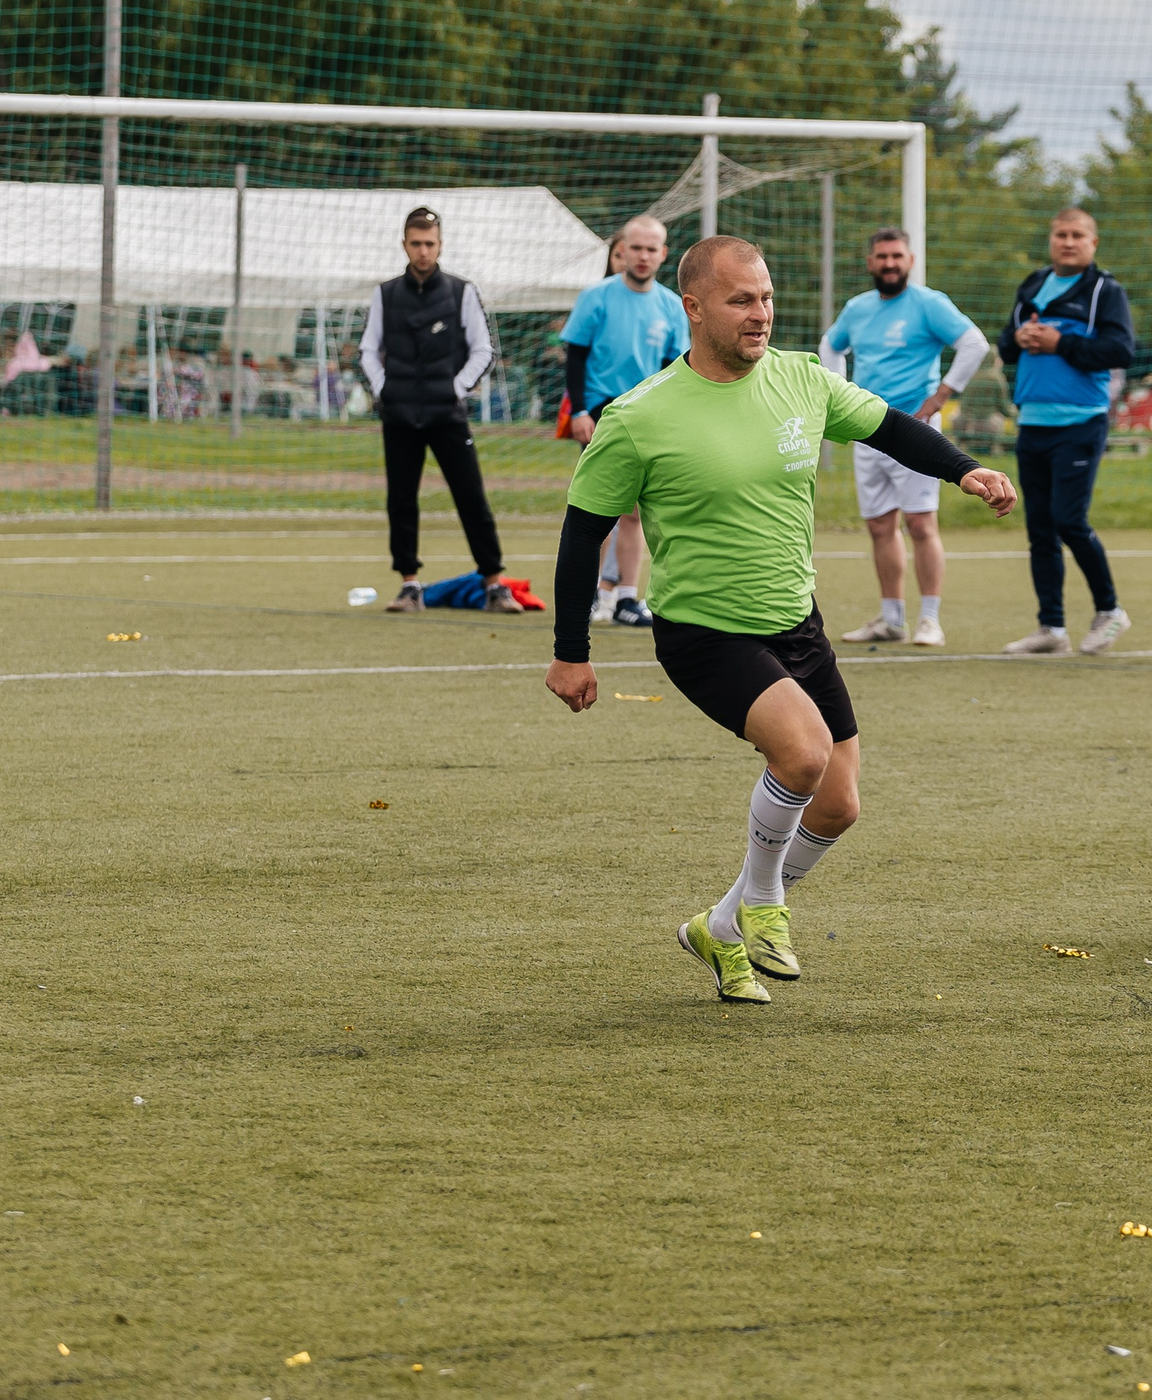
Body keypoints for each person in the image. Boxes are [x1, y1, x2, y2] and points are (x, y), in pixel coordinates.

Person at [544, 235, 1018, 1004]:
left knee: (838, 802)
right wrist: (571, 651)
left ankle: (721, 927)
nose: (759, 314)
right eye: (740, 300)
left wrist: (966, 469)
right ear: (693, 308)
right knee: (803, 755)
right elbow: (580, 536)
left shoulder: (803, 378)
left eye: (765, 297)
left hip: (795, 622)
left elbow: (892, 427)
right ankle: (765, 906)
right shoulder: (638, 416)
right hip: (703, 631)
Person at [820, 226, 992, 647]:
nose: (890, 263)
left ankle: (929, 619)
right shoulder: (858, 308)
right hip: (866, 429)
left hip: (915, 430)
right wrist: (840, 397)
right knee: (880, 526)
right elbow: (830, 346)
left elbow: (974, 343)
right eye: (882, 256)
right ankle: (891, 618)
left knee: (919, 523)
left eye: (897, 256)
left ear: (910, 261)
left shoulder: (929, 304)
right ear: (870, 262)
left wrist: (941, 395)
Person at [358, 206, 522, 615]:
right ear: (404, 244)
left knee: (471, 497)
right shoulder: (385, 293)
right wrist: (386, 388)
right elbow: (367, 350)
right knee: (401, 499)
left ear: (440, 244)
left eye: (430, 243)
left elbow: (483, 348)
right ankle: (409, 585)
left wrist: (455, 388)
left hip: (446, 413)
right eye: (416, 243)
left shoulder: (460, 291)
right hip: (399, 415)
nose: (423, 251)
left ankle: (494, 584)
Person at [997, 207, 1136, 655]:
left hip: (1081, 421)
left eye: (1078, 235)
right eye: (1061, 234)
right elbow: (1006, 343)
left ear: (1093, 243)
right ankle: (1051, 628)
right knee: (1040, 527)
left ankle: (1110, 611)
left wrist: (1062, 343)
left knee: (1069, 520)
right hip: (1032, 421)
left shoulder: (1104, 291)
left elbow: (1121, 350)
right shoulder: (1033, 285)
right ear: (1051, 240)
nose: (1068, 242)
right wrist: (1016, 341)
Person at [561, 216, 686, 627]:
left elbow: (673, 369)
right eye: (636, 248)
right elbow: (575, 356)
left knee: (636, 510)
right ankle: (593, 594)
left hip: (647, 412)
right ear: (623, 251)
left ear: (663, 254)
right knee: (599, 507)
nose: (644, 255)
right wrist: (579, 411)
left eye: (652, 249)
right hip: (602, 412)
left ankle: (629, 598)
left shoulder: (671, 304)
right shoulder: (596, 297)